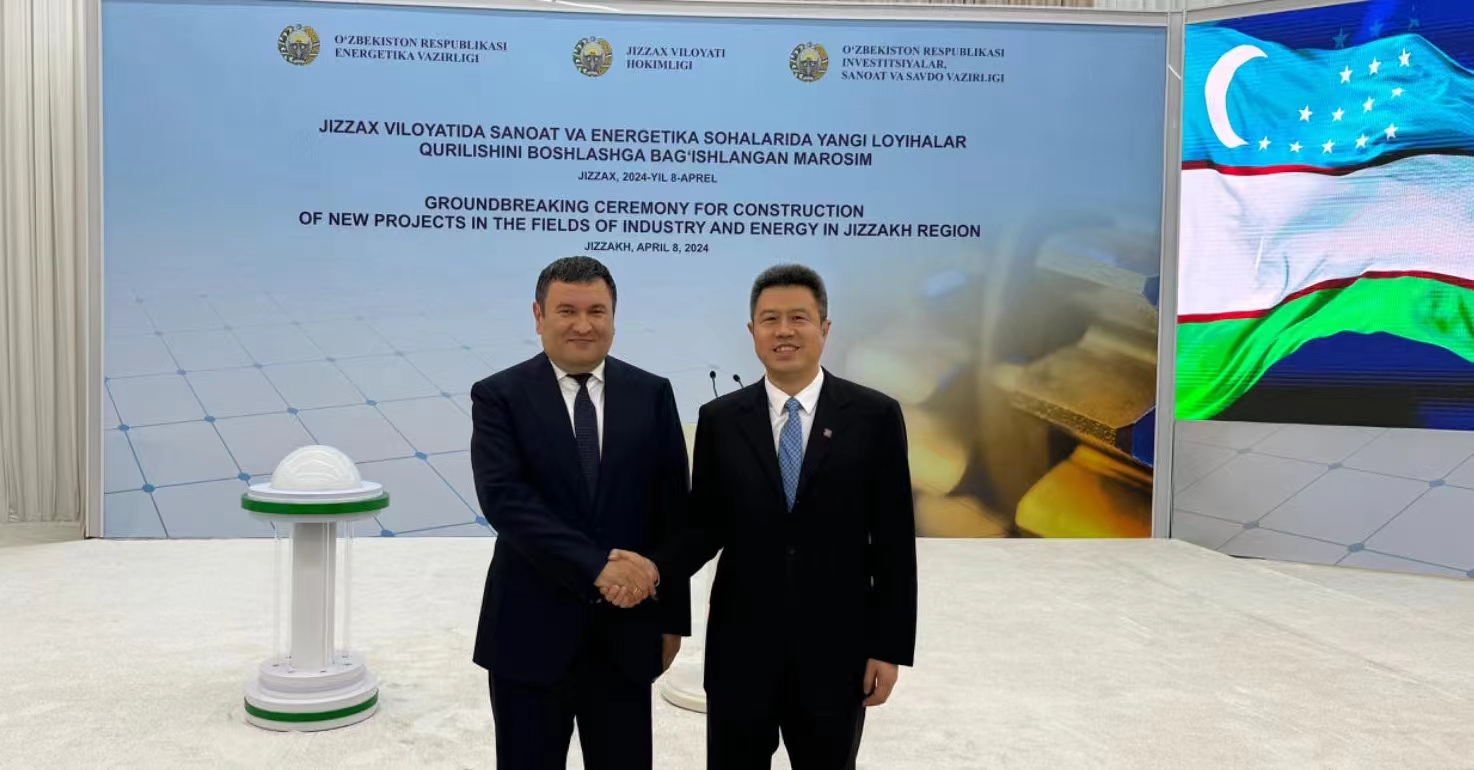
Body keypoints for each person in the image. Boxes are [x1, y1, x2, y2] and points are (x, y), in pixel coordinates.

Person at [613, 263, 918, 769]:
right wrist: (652, 568)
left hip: (836, 652)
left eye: (798, 318)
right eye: (770, 319)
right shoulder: (720, 420)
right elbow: (704, 526)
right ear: (752, 330)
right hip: (741, 650)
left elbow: (893, 542)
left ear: (824, 328)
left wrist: (888, 648)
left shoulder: (875, 416)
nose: (784, 331)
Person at [469, 256, 689, 770]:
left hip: (627, 636)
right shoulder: (499, 395)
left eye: (597, 311)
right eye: (567, 310)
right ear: (538, 315)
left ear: (614, 315)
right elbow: (506, 500)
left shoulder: (652, 393)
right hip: (529, 633)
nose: (583, 325)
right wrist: (598, 567)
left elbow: (672, 511)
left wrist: (671, 619)